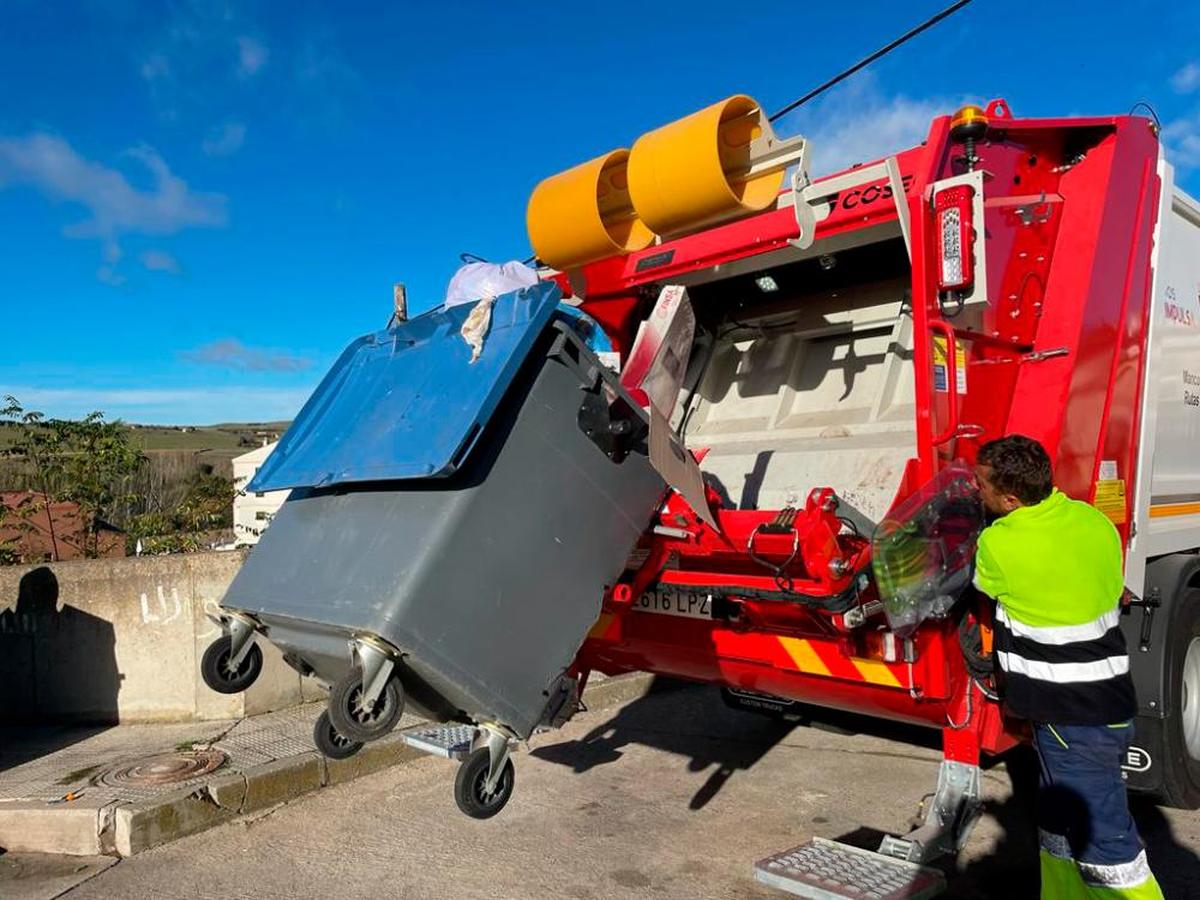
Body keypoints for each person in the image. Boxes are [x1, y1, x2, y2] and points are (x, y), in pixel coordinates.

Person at [972, 435, 1163, 899]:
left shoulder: (999, 544)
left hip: (1070, 715)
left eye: (982, 486)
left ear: (1009, 498)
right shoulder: (1093, 521)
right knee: (1058, 824)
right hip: (1110, 703)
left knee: (1108, 846)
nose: (977, 493)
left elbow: (981, 589)